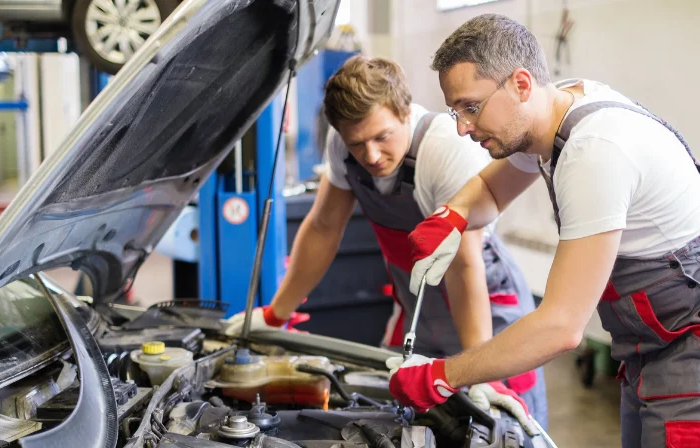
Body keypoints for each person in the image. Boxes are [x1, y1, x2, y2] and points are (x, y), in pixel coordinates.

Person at [385, 12, 700, 447]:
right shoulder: (554, 111)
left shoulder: (594, 153)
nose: (461, 128)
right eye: (454, 111)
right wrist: (451, 216)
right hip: (647, 342)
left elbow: (561, 326)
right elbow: (493, 192)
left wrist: (442, 375)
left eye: (471, 108)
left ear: (521, 84)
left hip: (694, 344)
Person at [225, 54, 548, 430]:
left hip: (486, 307)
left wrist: (480, 369)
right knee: (393, 416)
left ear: (405, 112)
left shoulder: (443, 151)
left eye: (382, 137)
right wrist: (276, 314)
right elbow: (324, 227)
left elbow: (463, 266)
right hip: (418, 306)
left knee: (502, 426)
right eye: (358, 143)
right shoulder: (344, 146)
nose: (371, 155)